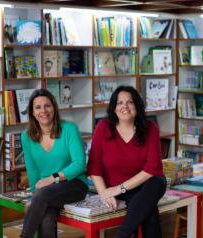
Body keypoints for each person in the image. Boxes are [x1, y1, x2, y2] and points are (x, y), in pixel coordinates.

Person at [87, 86, 166, 238]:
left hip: (144, 186)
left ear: (137, 105)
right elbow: (94, 168)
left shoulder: (151, 127)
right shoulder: (103, 127)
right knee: (150, 212)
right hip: (116, 188)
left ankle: (121, 235)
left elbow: (153, 167)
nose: (125, 106)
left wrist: (120, 188)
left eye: (130, 102)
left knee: (157, 182)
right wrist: (105, 194)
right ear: (114, 108)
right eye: (119, 102)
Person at [20, 89, 88, 238]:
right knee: (46, 215)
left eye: (47, 106)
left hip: (75, 184)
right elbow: (33, 171)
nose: (43, 111)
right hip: (46, 192)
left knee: (43, 196)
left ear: (54, 108)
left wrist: (51, 179)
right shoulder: (27, 136)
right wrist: (34, 199)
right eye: (37, 107)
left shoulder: (70, 129)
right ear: (32, 112)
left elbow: (79, 164)